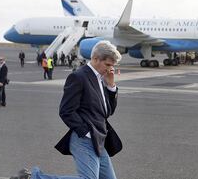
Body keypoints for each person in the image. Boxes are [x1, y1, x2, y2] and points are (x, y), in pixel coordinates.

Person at [10, 40, 122, 179]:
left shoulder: (100, 78)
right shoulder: (79, 77)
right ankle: (33, 177)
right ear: (95, 59)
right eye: (108, 65)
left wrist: (111, 86)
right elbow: (66, 111)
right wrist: (86, 132)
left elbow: (108, 111)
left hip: (99, 140)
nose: (110, 69)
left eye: (112, 65)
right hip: (85, 139)